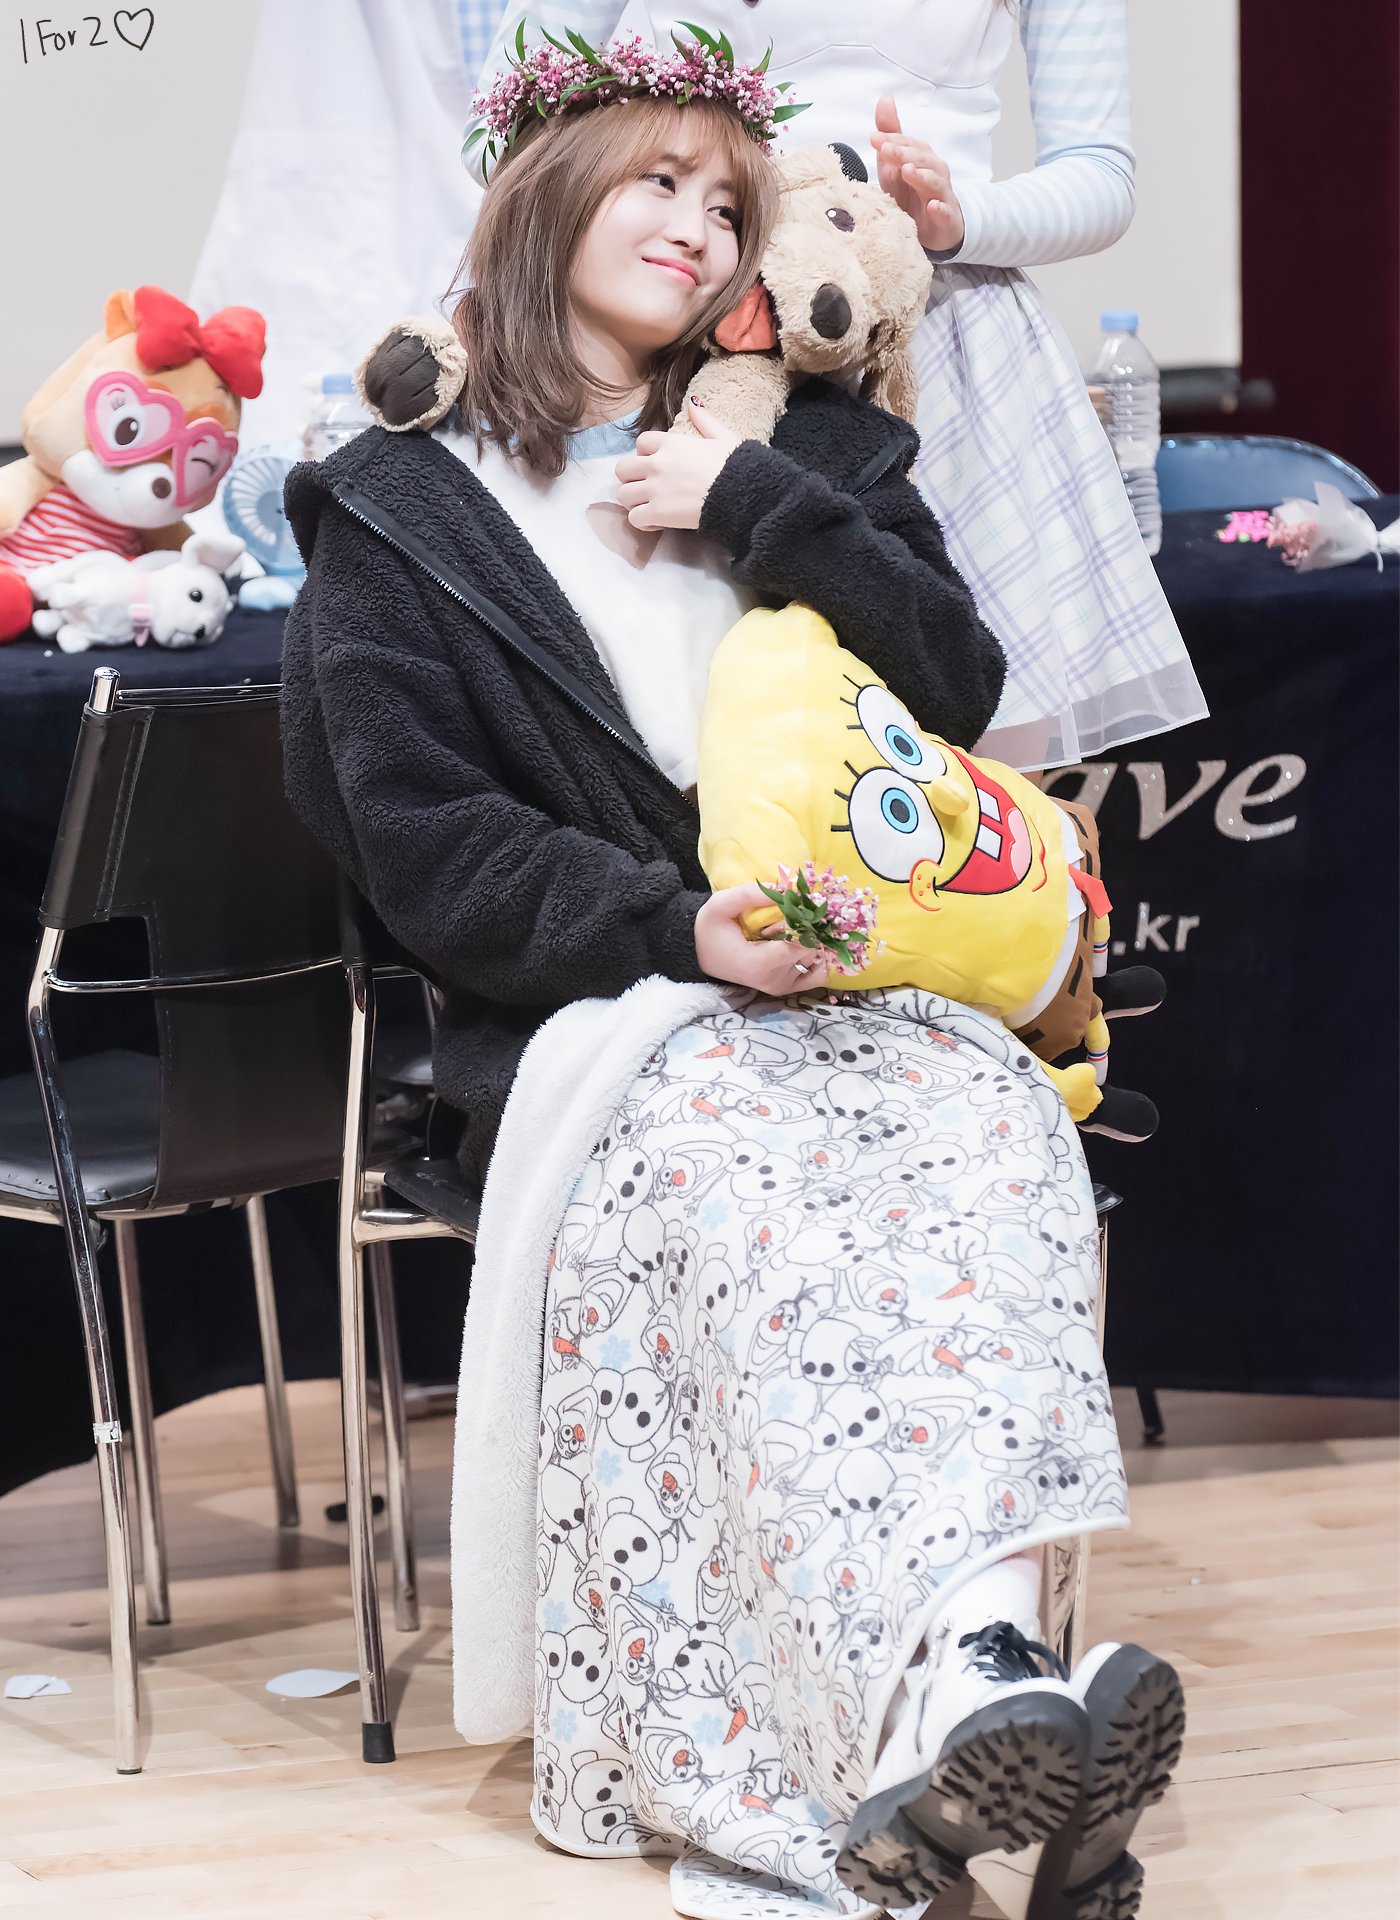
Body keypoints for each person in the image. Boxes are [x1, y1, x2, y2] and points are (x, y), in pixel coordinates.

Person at [281, 38, 1182, 1920]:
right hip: (608, 1020)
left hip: (862, 992)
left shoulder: (813, 447)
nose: (700, 228)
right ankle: (911, 1728)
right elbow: (421, 840)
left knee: (987, 1127)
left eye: (726, 202)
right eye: (659, 185)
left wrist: (756, 499)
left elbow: (958, 682)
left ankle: (972, 1682)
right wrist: (669, 931)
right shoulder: (397, 509)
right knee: (750, 1189)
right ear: (547, 198)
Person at [465, 0, 1208, 772]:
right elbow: (498, 132)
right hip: (704, 320)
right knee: (679, 732)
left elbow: (1101, 175)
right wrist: (695, 214)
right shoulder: (684, 260)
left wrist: (956, 218)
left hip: (927, 336)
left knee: (960, 770)